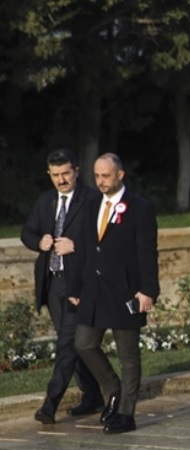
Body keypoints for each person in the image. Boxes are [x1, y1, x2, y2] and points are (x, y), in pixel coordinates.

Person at [67, 153, 159, 434]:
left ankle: (126, 413)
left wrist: (148, 290)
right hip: (94, 290)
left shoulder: (140, 208)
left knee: (128, 356)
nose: (101, 181)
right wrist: (75, 286)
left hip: (125, 291)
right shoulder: (90, 203)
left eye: (106, 175)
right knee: (83, 344)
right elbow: (82, 247)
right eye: (96, 176)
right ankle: (113, 389)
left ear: (121, 175)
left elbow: (147, 252)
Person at [21, 149, 102, 423]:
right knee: (76, 344)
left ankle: (49, 405)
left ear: (76, 171)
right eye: (56, 175)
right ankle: (93, 396)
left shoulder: (92, 200)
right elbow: (27, 232)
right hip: (53, 282)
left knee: (68, 344)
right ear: (49, 175)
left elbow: (105, 241)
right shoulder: (45, 201)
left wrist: (76, 246)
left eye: (66, 173)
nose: (61, 179)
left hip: (79, 284)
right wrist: (39, 242)